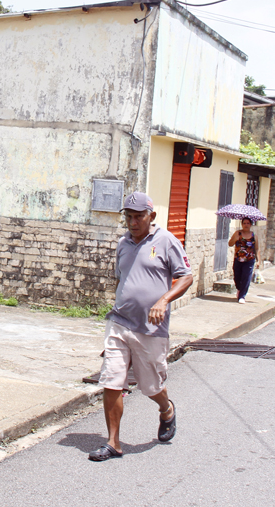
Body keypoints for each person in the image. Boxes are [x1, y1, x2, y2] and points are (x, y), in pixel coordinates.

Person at [89, 192, 193, 462]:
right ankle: (113, 443)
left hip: (151, 329)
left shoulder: (166, 241)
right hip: (119, 322)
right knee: (112, 380)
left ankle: (166, 408)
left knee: (151, 387)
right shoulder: (123, 243)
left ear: (152, 216)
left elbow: (186, 276)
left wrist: (164, 299)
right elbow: (122, 280)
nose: (132, 222)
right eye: (128, 217)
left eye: (138, 216)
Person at [228, 218, 257, 304]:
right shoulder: (238, 233)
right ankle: (239, 289)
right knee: (237, 277)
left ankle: (242, 296)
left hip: (249, 260)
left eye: (248, 223)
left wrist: (258, 261)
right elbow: (230, 244)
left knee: (246, 277)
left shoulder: (254, 236)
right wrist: (235, 239)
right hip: (238, 259)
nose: (246, 225)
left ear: (250, 225)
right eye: (244, 223)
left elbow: (257, 248)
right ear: (242, 224)